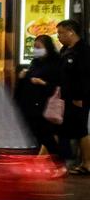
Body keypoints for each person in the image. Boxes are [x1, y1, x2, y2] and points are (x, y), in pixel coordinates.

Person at [15, 34, 63, 162]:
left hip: (44, 105)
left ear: (47, 47)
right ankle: (49, 159)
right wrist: (23, 76)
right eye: (34, 47)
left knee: (45, 134)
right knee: (39, 134)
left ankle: (58, 161)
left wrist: (43, 83)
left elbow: (58, 84)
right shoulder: (35, 62)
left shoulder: (55, 63)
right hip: (30, 104)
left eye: (38, 47)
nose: (35, 50)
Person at [58, 19, 90, 173]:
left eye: (61, 33)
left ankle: (87, 163)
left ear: (71, 32)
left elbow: (84, 77)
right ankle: (69, 161)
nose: (58, 36)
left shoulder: (83, 51)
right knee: (66, 129)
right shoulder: (64, 50)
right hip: (65, 98)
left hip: (79, 99)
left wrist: (79, 98)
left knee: (81, 130)